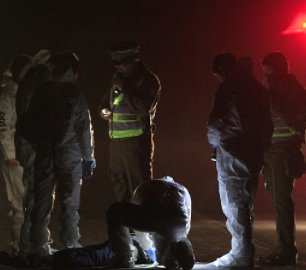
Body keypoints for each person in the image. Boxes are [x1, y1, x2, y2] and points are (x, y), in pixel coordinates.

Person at [17, 52, 95, 256]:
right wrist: (88, 158)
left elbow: (27, 122)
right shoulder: (75, 93)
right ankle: (70, 244)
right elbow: (83, 129)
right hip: (69, 156)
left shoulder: (42, 91)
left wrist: (40, 144)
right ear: (73, 71)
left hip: (44, 154)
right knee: (69, 202)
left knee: (41, 201)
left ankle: (38, 246)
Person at [207, 53, 273, 268]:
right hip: (253, 151)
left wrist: (215, 145)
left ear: (224, 70)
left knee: (233, 202)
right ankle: (242, 250)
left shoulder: (229, 88)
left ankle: (241, 253)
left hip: (232, 150)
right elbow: (268, 123)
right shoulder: (259, 89)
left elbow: (216, 122)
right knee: (246, 201)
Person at [99, 41, 161, 261]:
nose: (118, 68)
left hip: (136, 145)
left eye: (122, 64)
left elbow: (143, 108)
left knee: (140, 194)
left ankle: (149, 247)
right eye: (115, 64)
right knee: (120, 191)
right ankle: (128, 248)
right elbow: (106, 101)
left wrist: (125, 87)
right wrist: (104, 110)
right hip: (116, 143)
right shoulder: (117, 79)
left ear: (134, 59)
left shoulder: (149, 80)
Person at [257, 52, 306, 266]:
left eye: (268, 71)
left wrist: (270, 95)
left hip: (280, 149)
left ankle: (286, 249)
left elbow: (287, 117)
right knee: (279, 198)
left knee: (282, 201)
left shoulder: (287, 89)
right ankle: (285, 247)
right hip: (276, 148)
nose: (265, 75)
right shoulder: (291, 88)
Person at [106, 176, 195, 269]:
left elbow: (139, 227)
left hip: (153, 218)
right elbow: (186, 224)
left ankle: (124, 259)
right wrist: (178, 241)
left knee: (114, 211)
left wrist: (147, 246)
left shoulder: (146, 186)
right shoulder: (183, 190)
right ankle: (182, 259)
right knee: (161, 259)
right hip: (177, 224)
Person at [15, 49, 53, 256]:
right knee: (38, 195)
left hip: (27, 143)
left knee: (31, 195)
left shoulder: (27, 81)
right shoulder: (41, 80)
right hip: (35, 145)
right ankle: (35, 246)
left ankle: (29, 244)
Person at [0, 54, 33, 255]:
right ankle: (20, 245)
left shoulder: (22, 92)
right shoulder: (6, 95)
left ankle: (29, 243)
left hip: (24, 154)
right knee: (19, 202)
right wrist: (10, 153)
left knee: (27, 200)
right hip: (13, 158)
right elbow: (3, 127)